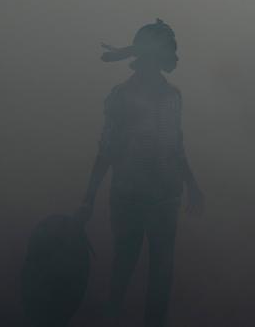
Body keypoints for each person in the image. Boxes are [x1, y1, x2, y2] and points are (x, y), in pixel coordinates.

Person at [77, 19, 205, 327]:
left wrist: (192, 184)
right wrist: (88, 199)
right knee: (123, 269)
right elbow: (106, 151)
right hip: (129, 198)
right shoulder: (121, 96)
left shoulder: (173, 96)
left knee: (161, 277)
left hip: (165, 199)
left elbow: (176, 146)